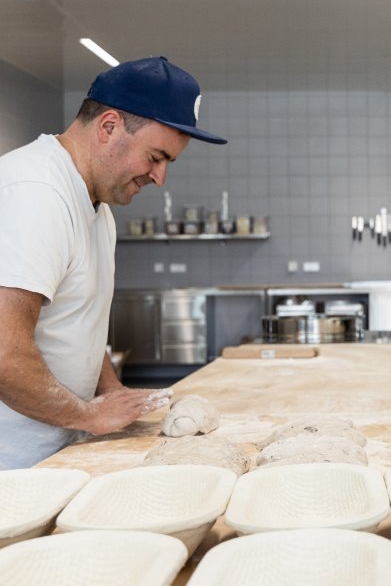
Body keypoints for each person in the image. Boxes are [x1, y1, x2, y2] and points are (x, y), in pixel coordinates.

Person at [0, 56, 227, 469]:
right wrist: (90, 415)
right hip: (13, 468)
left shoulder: (98, 205)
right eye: (155, 157)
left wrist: (110, 393)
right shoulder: (34, 194)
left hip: (58, 452)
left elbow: (79, 321)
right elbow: (3, 354)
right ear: (108, 127)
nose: (160, 178)